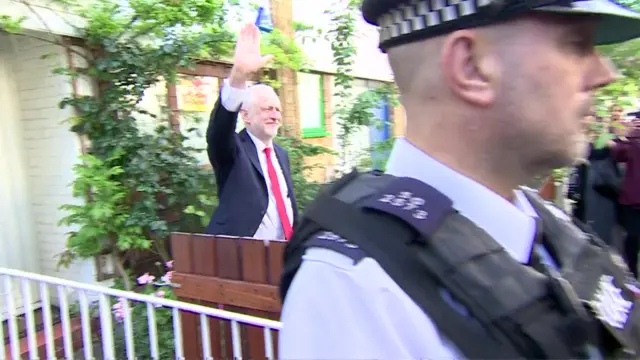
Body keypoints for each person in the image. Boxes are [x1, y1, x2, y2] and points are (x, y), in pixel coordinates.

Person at [278, 0, 640, 358]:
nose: (604, 74)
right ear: (472, 67)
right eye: (575, 44)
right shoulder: (358, 294)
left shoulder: (550, 228)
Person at [205, 23, 298, 240]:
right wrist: (238, 77)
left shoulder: (281, 155)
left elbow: (286, 204)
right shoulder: (232, 150)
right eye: (267, 109)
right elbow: (219, 131)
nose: (275, 115)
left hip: (283, 256)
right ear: (245, 116)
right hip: (243, 261)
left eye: (278, 109)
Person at [610, 114, 640, 278]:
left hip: (632, 198)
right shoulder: (631, 142)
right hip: (633, 199)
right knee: (632, 238)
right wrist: (625, 135)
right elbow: (619, 154)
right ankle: (632, 274)